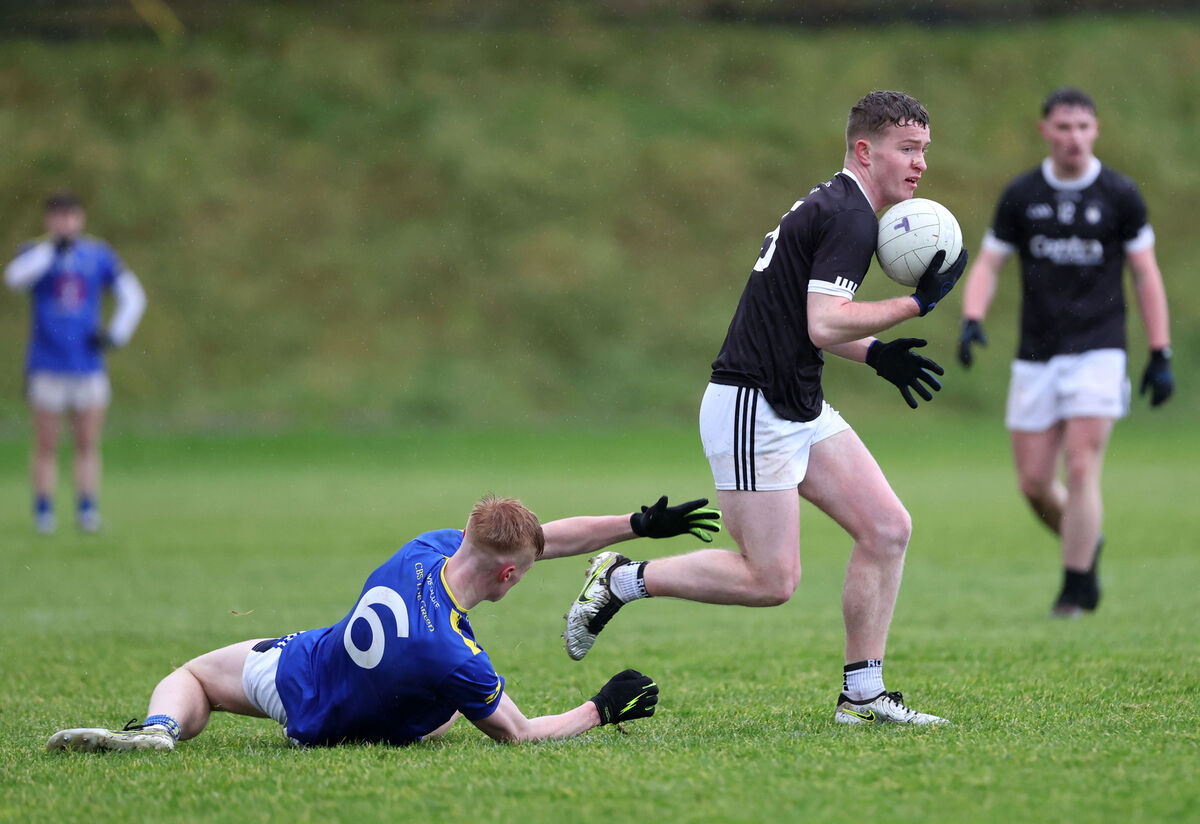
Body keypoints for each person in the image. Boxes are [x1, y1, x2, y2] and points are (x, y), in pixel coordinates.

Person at [564, 90, 968, 726]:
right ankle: (620, 579)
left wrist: (877, 355)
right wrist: (918, 305)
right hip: (753, 405)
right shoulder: (851, 217)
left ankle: (862, 694)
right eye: (907, 149)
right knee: (771, 581)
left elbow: (803, 321)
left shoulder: (839, 203)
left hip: (794, 401)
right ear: (866, 150)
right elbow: (822, 321)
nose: (920, 164)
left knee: (887, 527)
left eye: (924, 151)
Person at [45, 493, 719, 752]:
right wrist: (599, 708)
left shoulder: (424, 549)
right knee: (451, 712)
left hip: (301, 673)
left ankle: (161, 731)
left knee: (193, 675)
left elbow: (542, 540)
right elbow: (518, 734)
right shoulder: (455, 655)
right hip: (369, 716)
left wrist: (636, 524)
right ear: (508, 576)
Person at [956, 87, 1174, 618]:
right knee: (1033, 483)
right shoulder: (1021, 194)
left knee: (1081, 466)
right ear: (1045, 131)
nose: (1074, 137)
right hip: (1037, 353)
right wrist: (972, 317)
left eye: (1083, 127)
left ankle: (1076, 588)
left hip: (1100, 348)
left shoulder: (1120, 194)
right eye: (1063, 127)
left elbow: (1144, 272)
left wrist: (1159, 350)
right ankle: (1086, 538)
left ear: (1095, 130)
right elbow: (987, 263)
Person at [4, 190, 147, 534]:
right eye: (57, 216)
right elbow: (13, 278)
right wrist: (51, 251)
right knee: (46, 442)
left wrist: (116, 334)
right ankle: (44, 511)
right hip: (47, 362)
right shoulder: (36, 253)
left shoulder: (98, 256)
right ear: (48, 220)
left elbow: (133, 295)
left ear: (80, 218)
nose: (64, 222)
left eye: (70, 216)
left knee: (86, 441)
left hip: (87, 363)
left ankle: (86, 509)